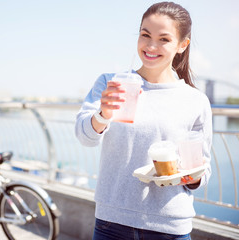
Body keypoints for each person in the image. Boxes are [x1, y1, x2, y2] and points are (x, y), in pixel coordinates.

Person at [75, 2, 212, 240]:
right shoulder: (111, 83)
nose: (151, 46)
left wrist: (192, 175)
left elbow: (202, 171)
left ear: (182, 45)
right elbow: (84, 137)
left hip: (170, 226)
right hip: (112, 222)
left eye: (163, 39)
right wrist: (103, 114)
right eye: (145, 35)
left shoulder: (195, 101)